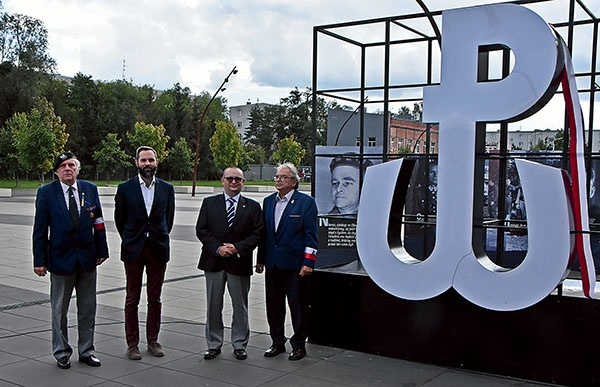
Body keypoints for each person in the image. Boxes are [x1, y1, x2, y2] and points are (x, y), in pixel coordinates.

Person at [32, 152, 108, 369]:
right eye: (63, 166)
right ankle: (62, 351)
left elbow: (99, 221)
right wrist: (40, 260)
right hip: (60, 259)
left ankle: (87, 350)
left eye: (72, 165)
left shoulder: (90, 189)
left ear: (78, 169)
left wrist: (102, 249)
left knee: (88, 308)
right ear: (56, 171)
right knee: (59, 309)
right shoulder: (46, 193)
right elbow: (40, 229)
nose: (68, 169)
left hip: (87, 258)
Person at [196, 167, 263, 360]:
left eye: (238, 179)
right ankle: (214, 344)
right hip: (214, 261)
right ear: (222, 181)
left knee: (240, 306)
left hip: (239, 262)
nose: (234, 182)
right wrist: (218, 248)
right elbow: (202, 230)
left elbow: (257, 234)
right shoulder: (209, 203)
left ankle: (239, 343)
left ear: (243, 182)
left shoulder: (252, 206)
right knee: (213, 305)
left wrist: (237, 248)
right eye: (230, 178)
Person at [114, 146, 175, 360]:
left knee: (155, 298)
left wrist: (157, 236)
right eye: (143, 160)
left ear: (157, 162)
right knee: (132, 298)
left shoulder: (167, 189)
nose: (147, 164)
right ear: (136, 163)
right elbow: (120, 220)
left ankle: (153, 341)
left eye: (151, 160)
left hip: (158, 250)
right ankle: (132, 344)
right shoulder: (125, 188)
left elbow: (169, 219)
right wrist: (132, 239)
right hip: (133, 250)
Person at [257, 162, 318, 361]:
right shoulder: (268, 202)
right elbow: (264, 234)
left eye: (283, 177)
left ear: (293, 181)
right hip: (273, 264)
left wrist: (308, 262)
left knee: (298, 306)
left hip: (295, 266)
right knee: (274, 306)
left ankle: (299, 344)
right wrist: (260, 259)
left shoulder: (306, 203)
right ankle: (277, 342)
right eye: (277, 177)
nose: (278, 180)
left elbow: (311, 236)